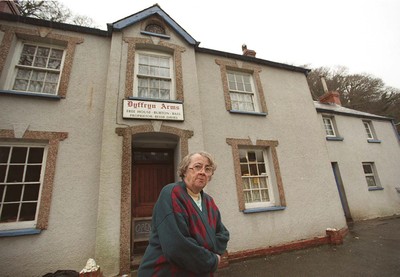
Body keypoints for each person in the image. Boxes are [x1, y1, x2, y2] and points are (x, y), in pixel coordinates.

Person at [138, 151, 230, 276]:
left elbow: (223, 234)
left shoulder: (209, 201)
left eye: (207, 169)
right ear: (185, 170)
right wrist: (212, 259)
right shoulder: (171, 194)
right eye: (197, 167)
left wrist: (204, 247)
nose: (203, 172)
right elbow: (177, 246)